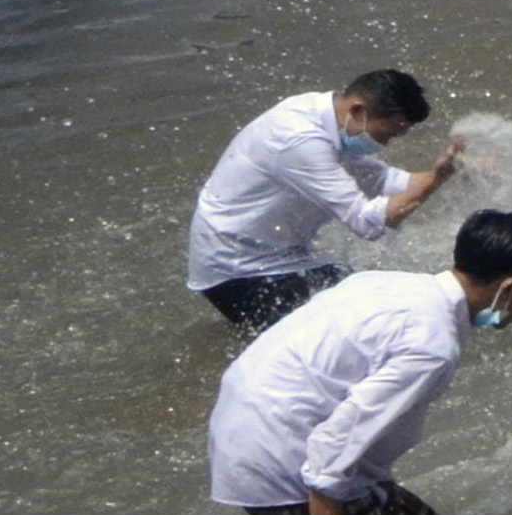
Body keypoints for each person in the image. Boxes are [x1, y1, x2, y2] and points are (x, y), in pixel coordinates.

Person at [205, 209, 512, 515]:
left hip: (258, 418)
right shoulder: (432, 346)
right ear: (509, 287)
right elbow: (334, 445)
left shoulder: (388, 282)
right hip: (278, 453)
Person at [185, 70, 466, 334]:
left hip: (287, 255)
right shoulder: (300, 139)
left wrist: (450, 170)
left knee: (381, 307)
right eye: (386, 134)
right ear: (358, 111)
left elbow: (385, 182)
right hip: (238, 268)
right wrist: (437, 178)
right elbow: (366, 222)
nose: (386, 144)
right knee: (363, 331)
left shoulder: (330, 119)